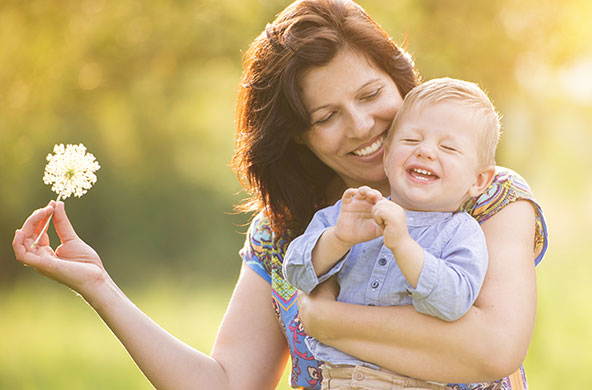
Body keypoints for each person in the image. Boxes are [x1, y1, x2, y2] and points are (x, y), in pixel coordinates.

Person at [12, 1, 548, 389]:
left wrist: (327, 320)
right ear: (299, 136)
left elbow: (495, 349)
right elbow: (226, 385)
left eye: (371, 93)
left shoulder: (488, 198)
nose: (362, 125)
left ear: (400, 81)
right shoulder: (285, 229)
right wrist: (100, 286)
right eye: (327, 116)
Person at [283, 77, 500, 389]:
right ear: (386, 157)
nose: (425, 151)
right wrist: (339, 239)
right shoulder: (350, 212)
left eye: (448, 147)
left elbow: (453, 303)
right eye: (411, 141)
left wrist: (402, 244)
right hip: (338, 379)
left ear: (478, 181)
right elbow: (295, 272)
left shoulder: (462, 232)